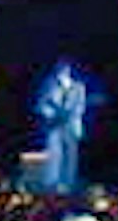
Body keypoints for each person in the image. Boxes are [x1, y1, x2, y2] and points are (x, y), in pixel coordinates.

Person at [34, 61, 93, 200]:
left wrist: (69, 114)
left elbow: (80, 106)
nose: (63, 71)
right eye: (61, 69)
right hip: (54, 127)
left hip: (71, 126)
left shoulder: (78, 87)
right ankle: (52, 186)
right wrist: (52, 116)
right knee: (55, 155)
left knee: (71, 156)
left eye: (66, 68)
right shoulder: (49, 86)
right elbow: (41, 105)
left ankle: (69, 185)